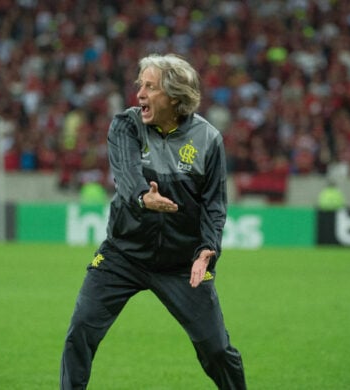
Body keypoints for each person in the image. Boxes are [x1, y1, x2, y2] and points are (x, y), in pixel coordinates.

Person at [60, 53, 246, 390]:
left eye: (150, 87)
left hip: (181, 264)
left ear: (175, 97)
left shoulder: (208, 140)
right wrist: (143, 196)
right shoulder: (126, 124)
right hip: (123, 255)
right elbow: (126, 172)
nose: (140, 94)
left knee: (217, 350)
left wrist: (207, 250)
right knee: (80, 331)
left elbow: (214, 205)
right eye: (139, 85)